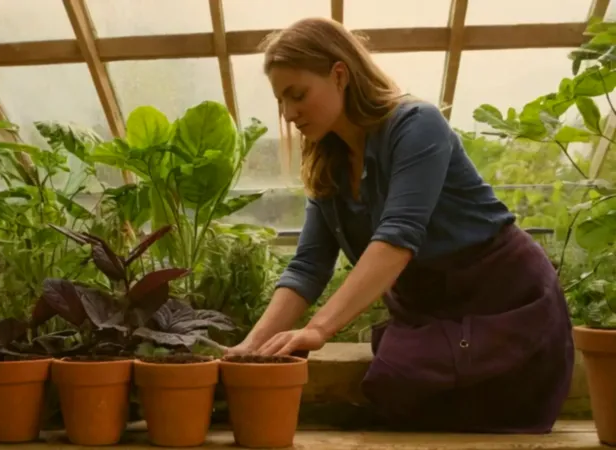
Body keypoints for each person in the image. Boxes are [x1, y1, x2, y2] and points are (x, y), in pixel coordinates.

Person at [226, 17, 574, 434]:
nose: (288, 113)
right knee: (394, 385)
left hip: (503, 299)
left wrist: (318, 330)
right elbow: (307, 267)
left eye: (297, 95)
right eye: (281, 100)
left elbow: (398, 238)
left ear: (340, 75)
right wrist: (249, 349)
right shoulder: (327, 162)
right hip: (432, 309)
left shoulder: (416, 124)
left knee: (400, 384)